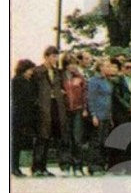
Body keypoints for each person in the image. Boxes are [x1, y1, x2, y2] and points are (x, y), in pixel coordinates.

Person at [32, 46, 69, 176]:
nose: (55, 59)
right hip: (43, 107)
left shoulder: (58, 72)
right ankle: (37, 167)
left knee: (50, 136)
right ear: (46, 56)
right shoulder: (37, 71)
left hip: (56, 106)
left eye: (56, 56)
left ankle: (43, 167)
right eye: (53, 56)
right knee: (42, 137)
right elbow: (33, 90)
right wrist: (37, 103)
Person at [62, 53, 89, 174]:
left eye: (74, 63)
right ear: (65, 65)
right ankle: (66, 165)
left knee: (77, 138)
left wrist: (84, 108)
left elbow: (84, 94)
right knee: (66, 138)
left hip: (78, 110)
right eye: (69, 64)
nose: (72, 66)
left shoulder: (80, 77)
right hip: (65, 110)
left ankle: (77, 166)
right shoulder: (60, 77)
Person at [87, 59, 114, 173]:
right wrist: (93, 115)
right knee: (96, 140)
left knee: (104, 140)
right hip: (98, 114)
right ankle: (93, 165)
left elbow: (109, 99)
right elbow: (91, 98)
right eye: (107, 66)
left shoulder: (108, 81)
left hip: (106, 114)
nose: (109, 68)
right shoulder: (94, 81)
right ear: (101, 67)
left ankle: (102, 163)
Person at [11, 59, 37, 176]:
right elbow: (19, 98)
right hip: (19, 114)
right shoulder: (17, 81)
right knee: (16, 142)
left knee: (21, 142)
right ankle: (14, 166)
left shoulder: (29, 81)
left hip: (27, 114)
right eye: (30, 70)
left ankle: (16, 167)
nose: (31, 72)